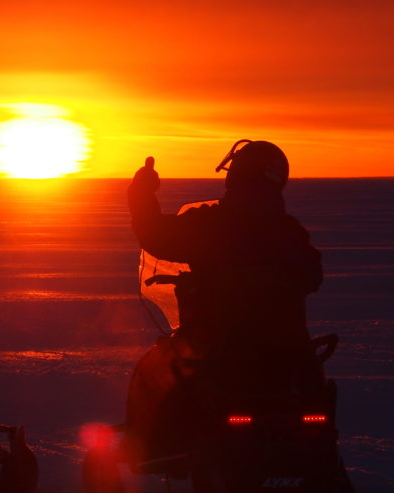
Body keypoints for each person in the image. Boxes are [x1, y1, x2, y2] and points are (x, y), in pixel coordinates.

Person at [123, 140, 324, 461]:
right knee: (312, 389)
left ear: (236, 175)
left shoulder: (213, 224)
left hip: (220, 350)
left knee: (155, 369)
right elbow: (312, 274)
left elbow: (155, 234)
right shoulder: (290, 232)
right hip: (284, 354)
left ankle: (146, 451)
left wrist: (142, 194)